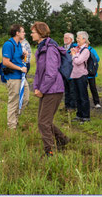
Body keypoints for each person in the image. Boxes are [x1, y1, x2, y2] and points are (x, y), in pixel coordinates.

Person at [32, 22, 69, 157]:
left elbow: (51, 73)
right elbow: (38, 72)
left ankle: (50, 152)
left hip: (53, 89)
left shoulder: (51, 49)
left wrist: (41, 89)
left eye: (33, 32)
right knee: (44, 121)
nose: (31, 34)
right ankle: (63, 139)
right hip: (46, 89)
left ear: (41, 33)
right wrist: (36, 87)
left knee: (43, 122)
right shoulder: (41, 48)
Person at [2, 24, 30, 130]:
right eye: (23, 31)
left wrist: (24, 56)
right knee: (13, 101)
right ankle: (12, 127)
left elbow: (18, 59)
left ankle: (15, 119)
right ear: (17, 33)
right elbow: (6, 62)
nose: (24, 33)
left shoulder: (19, 44)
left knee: (25, 99)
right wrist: (20, 68)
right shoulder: (8, 44)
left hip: (21, 77)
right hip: (13, 77)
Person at [70, 31, 91, 123]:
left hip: (82, 76)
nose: (77, 40)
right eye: (77, 38)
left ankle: (86, 116)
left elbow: (78, 61)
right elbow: (74, 61)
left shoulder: (85, 50)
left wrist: (74, 55)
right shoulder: (77, 49)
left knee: (83, 96)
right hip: (74, 75)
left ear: (84, 39)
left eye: (79, 38)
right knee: (77, 96)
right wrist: (75, 55)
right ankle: (79, 115)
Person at [63, 33, 77, 111]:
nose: (65, 39)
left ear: (71, 39)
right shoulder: (62, 48)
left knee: (72, 90)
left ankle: (72, 106)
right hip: (64, 72)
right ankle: (66, 105)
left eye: (67, 38)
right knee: (66, 90)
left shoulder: (74, 48)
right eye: (64, 38)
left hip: (72, 71)